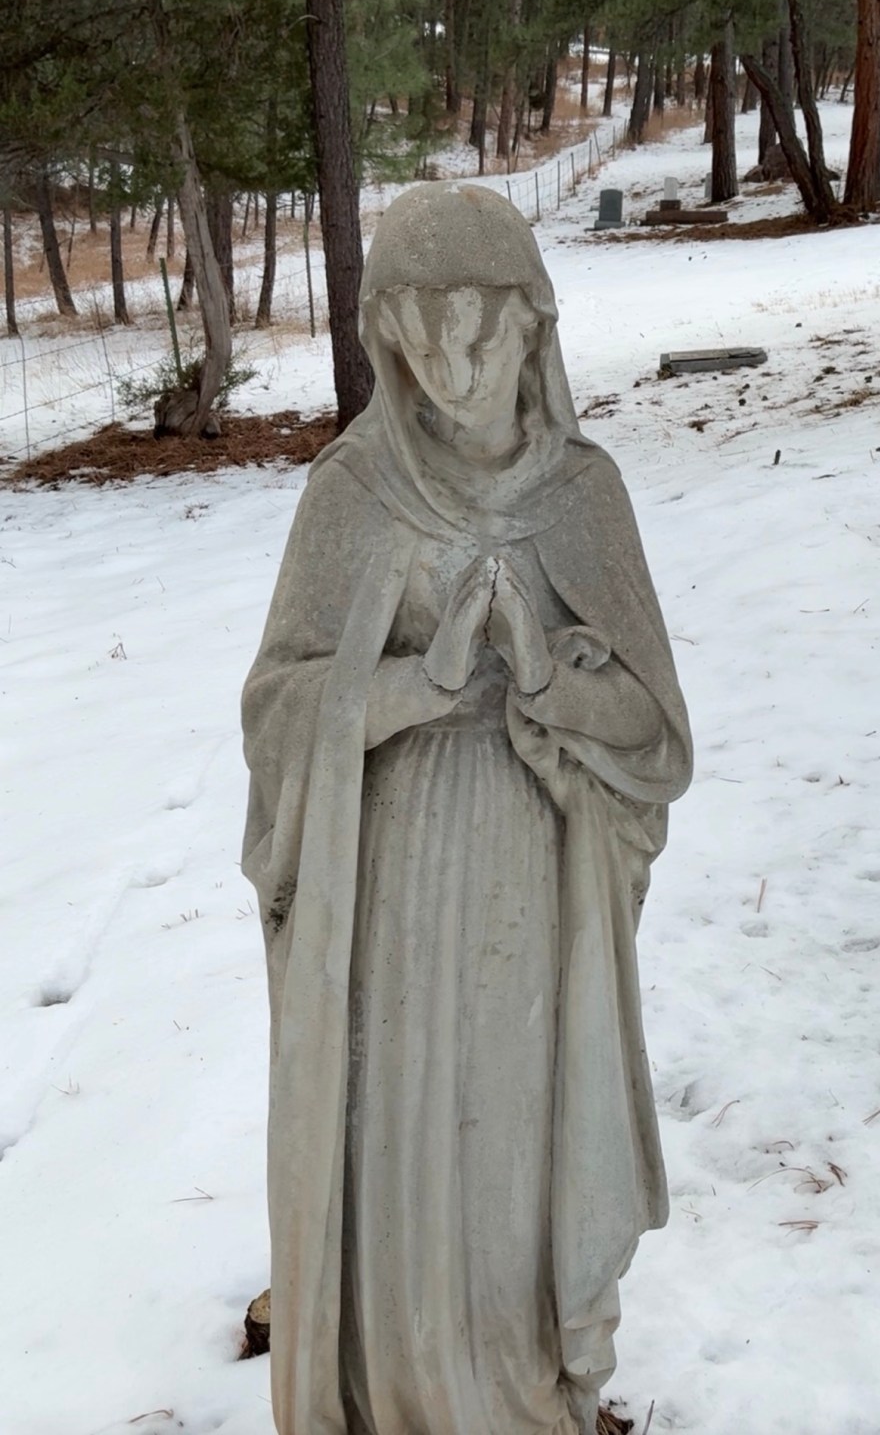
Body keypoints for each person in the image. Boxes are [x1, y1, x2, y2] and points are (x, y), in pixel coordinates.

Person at [241, 183, 693, 1435]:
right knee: (396, 1142)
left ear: (532, 324)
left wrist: (544, 679)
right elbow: (275, 708)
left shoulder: (582, 498)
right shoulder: (352, 492)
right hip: (385, 884)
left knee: (511, 1154)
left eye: (477, 328)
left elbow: (656, 737)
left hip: (532, 876)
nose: (449, 361)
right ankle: (401, 1388)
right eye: (416, 333)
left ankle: (515, 1388)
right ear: (384, 339)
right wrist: (406, 685)